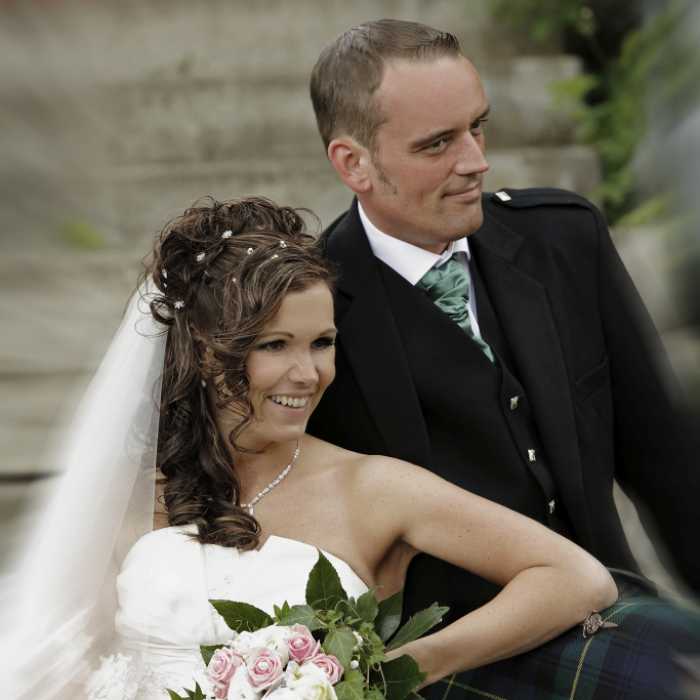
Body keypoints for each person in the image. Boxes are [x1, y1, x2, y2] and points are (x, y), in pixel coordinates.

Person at [3, 196, 618, 700]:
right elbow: (69, 656)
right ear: (205, 348)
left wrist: (397, 671)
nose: (308, 374)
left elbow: (577, 579)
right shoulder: (137, 491)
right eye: (275, 345)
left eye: (322, 343)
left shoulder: (373, 488)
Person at [307, 17, 700, 699]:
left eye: (478, 128)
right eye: (438, 143)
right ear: (353, 164)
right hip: (452, 659)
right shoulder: (312, 310)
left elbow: (666, 465)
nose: (475, 162)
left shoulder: (564, 241)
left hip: (607, 607)